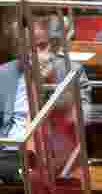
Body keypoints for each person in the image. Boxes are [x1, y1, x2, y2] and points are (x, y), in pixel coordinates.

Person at [0, 15, 91, 143]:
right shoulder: (4, 73)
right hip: (10, 150)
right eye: (29, 48)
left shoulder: (70, 71)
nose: (35, 53)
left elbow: (82, 119)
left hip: (55, 151)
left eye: (41, 46)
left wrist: (51, 84)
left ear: (51, 46)